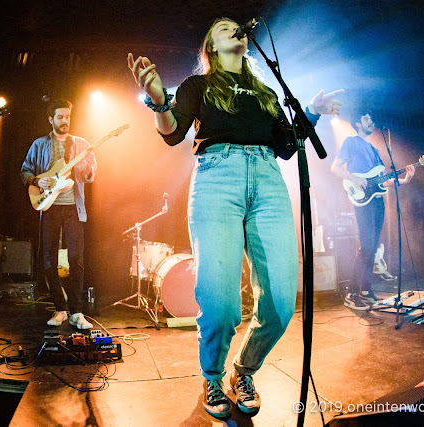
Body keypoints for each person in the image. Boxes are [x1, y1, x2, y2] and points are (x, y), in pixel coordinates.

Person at [128, 18, 342, 419]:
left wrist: (310, 111)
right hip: (216, 179)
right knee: (221, 304)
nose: (234, 29)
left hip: (268, 181)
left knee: (280, 302)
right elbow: (173, 133)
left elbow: (286, 146)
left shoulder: (265, 92)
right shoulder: (199, 87)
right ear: (210, 45)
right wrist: (158, 100)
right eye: (223, 27)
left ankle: (244, 370)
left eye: (236, 26)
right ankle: (212, 376)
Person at [21, 99, 97, 329]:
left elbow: (90, 175)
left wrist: (86, 168)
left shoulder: (82, 144)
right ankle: (60, 308)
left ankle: (77, 312)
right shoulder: (39, 144)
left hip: (74, 207)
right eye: (60, 117)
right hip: (49, 206)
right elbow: (25, 171)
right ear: (51, 119)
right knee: (48, 259)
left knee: (76, 258)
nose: (65, 121)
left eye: (67, 117)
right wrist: (36, 180)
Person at [331, 112, 415, 311]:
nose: (371, 122)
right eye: (367, 119)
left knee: (373, 247)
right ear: (358, 123)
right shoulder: (351, 142)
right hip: (363, 201)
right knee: (367, 246)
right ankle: (352, 293)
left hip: (378, 202)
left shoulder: (376, 150)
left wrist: (404, 180)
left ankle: (366, 291)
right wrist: (354, 179)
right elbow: (335, 168)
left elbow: (383, 180)